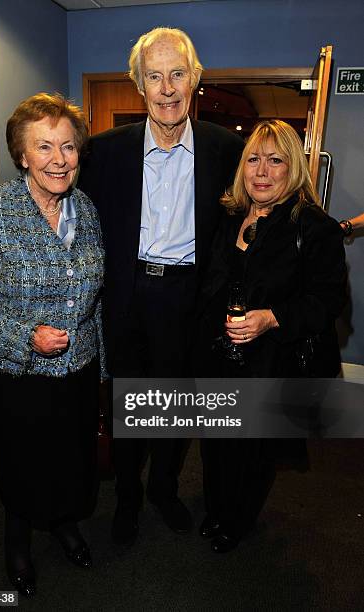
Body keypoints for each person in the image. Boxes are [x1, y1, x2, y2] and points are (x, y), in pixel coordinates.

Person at [78, 27, 243, 546]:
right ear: (138, 86)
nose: (168, 88)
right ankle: (127, 497)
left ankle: (164, 489)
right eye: (155, 76)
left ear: (195, 80)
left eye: (178, 74)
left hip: (191, 300)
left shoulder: (227, 149)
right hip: (128, 297)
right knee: (129, 406)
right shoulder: (103, 153)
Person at [0, 93, 105, 596]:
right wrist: (26, 337)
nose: (59, 160)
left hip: (78, 371)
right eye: (44, 147)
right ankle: (16, 538)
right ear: (22, 155)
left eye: (68, 147)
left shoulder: (86, 208)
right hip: (14, 376)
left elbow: (95, 295)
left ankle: (63, 523)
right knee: (23, 465)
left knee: (70, 459)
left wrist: (99, 364)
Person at [193, 119, 347, 553]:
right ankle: (215, 509)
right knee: (215, 444)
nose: (262, 171)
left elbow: (327, 301)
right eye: (253, 160)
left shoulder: (313, 227)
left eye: (275, 160)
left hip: (269, 364)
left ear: (292, 168)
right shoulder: (228, 217)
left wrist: (272, 317)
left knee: (252, 452)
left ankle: (235, 522)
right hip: (217, 357)